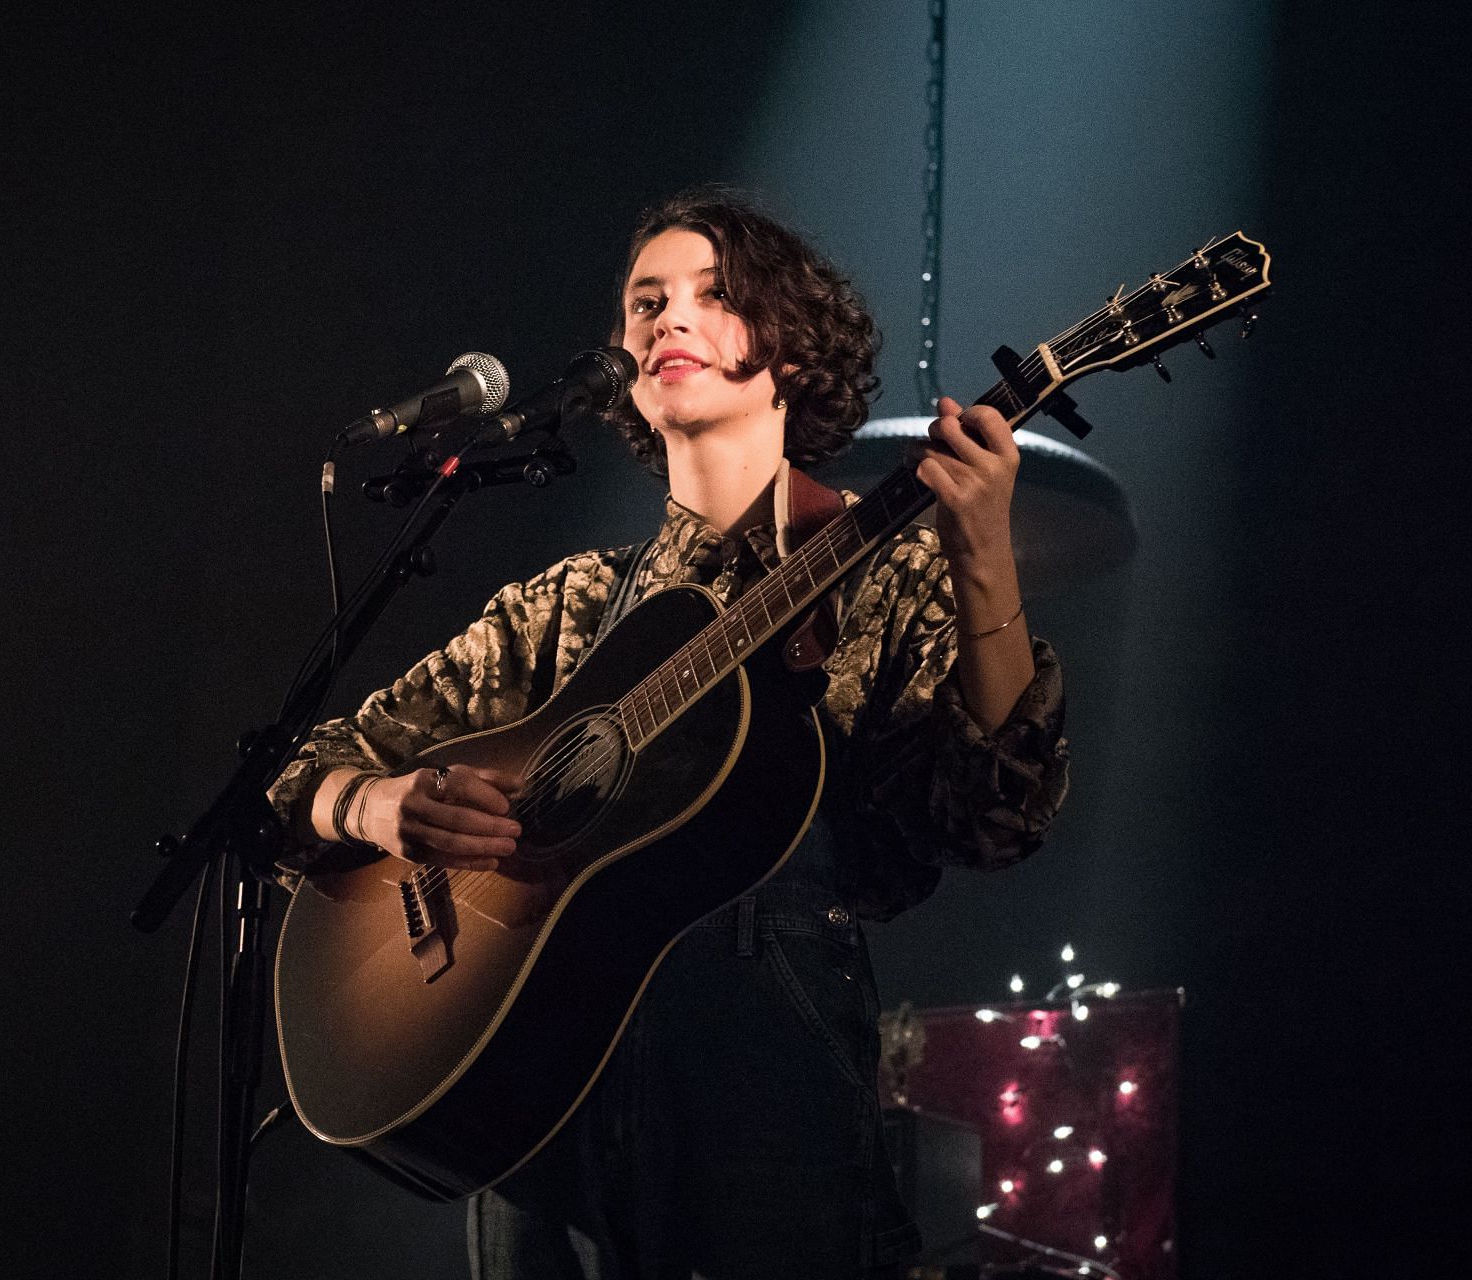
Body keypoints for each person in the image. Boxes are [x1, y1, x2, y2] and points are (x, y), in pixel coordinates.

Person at [268, 188, 1070, 1279]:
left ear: (791, 346)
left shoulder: (887, 568)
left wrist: (982, 555)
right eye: (645, 301)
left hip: (767, 1076)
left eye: (712, 295)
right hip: (542, 1081)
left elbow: (997, 817)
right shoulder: (571, 606)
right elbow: (295, 768)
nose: (665, 319)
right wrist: (375, 803)